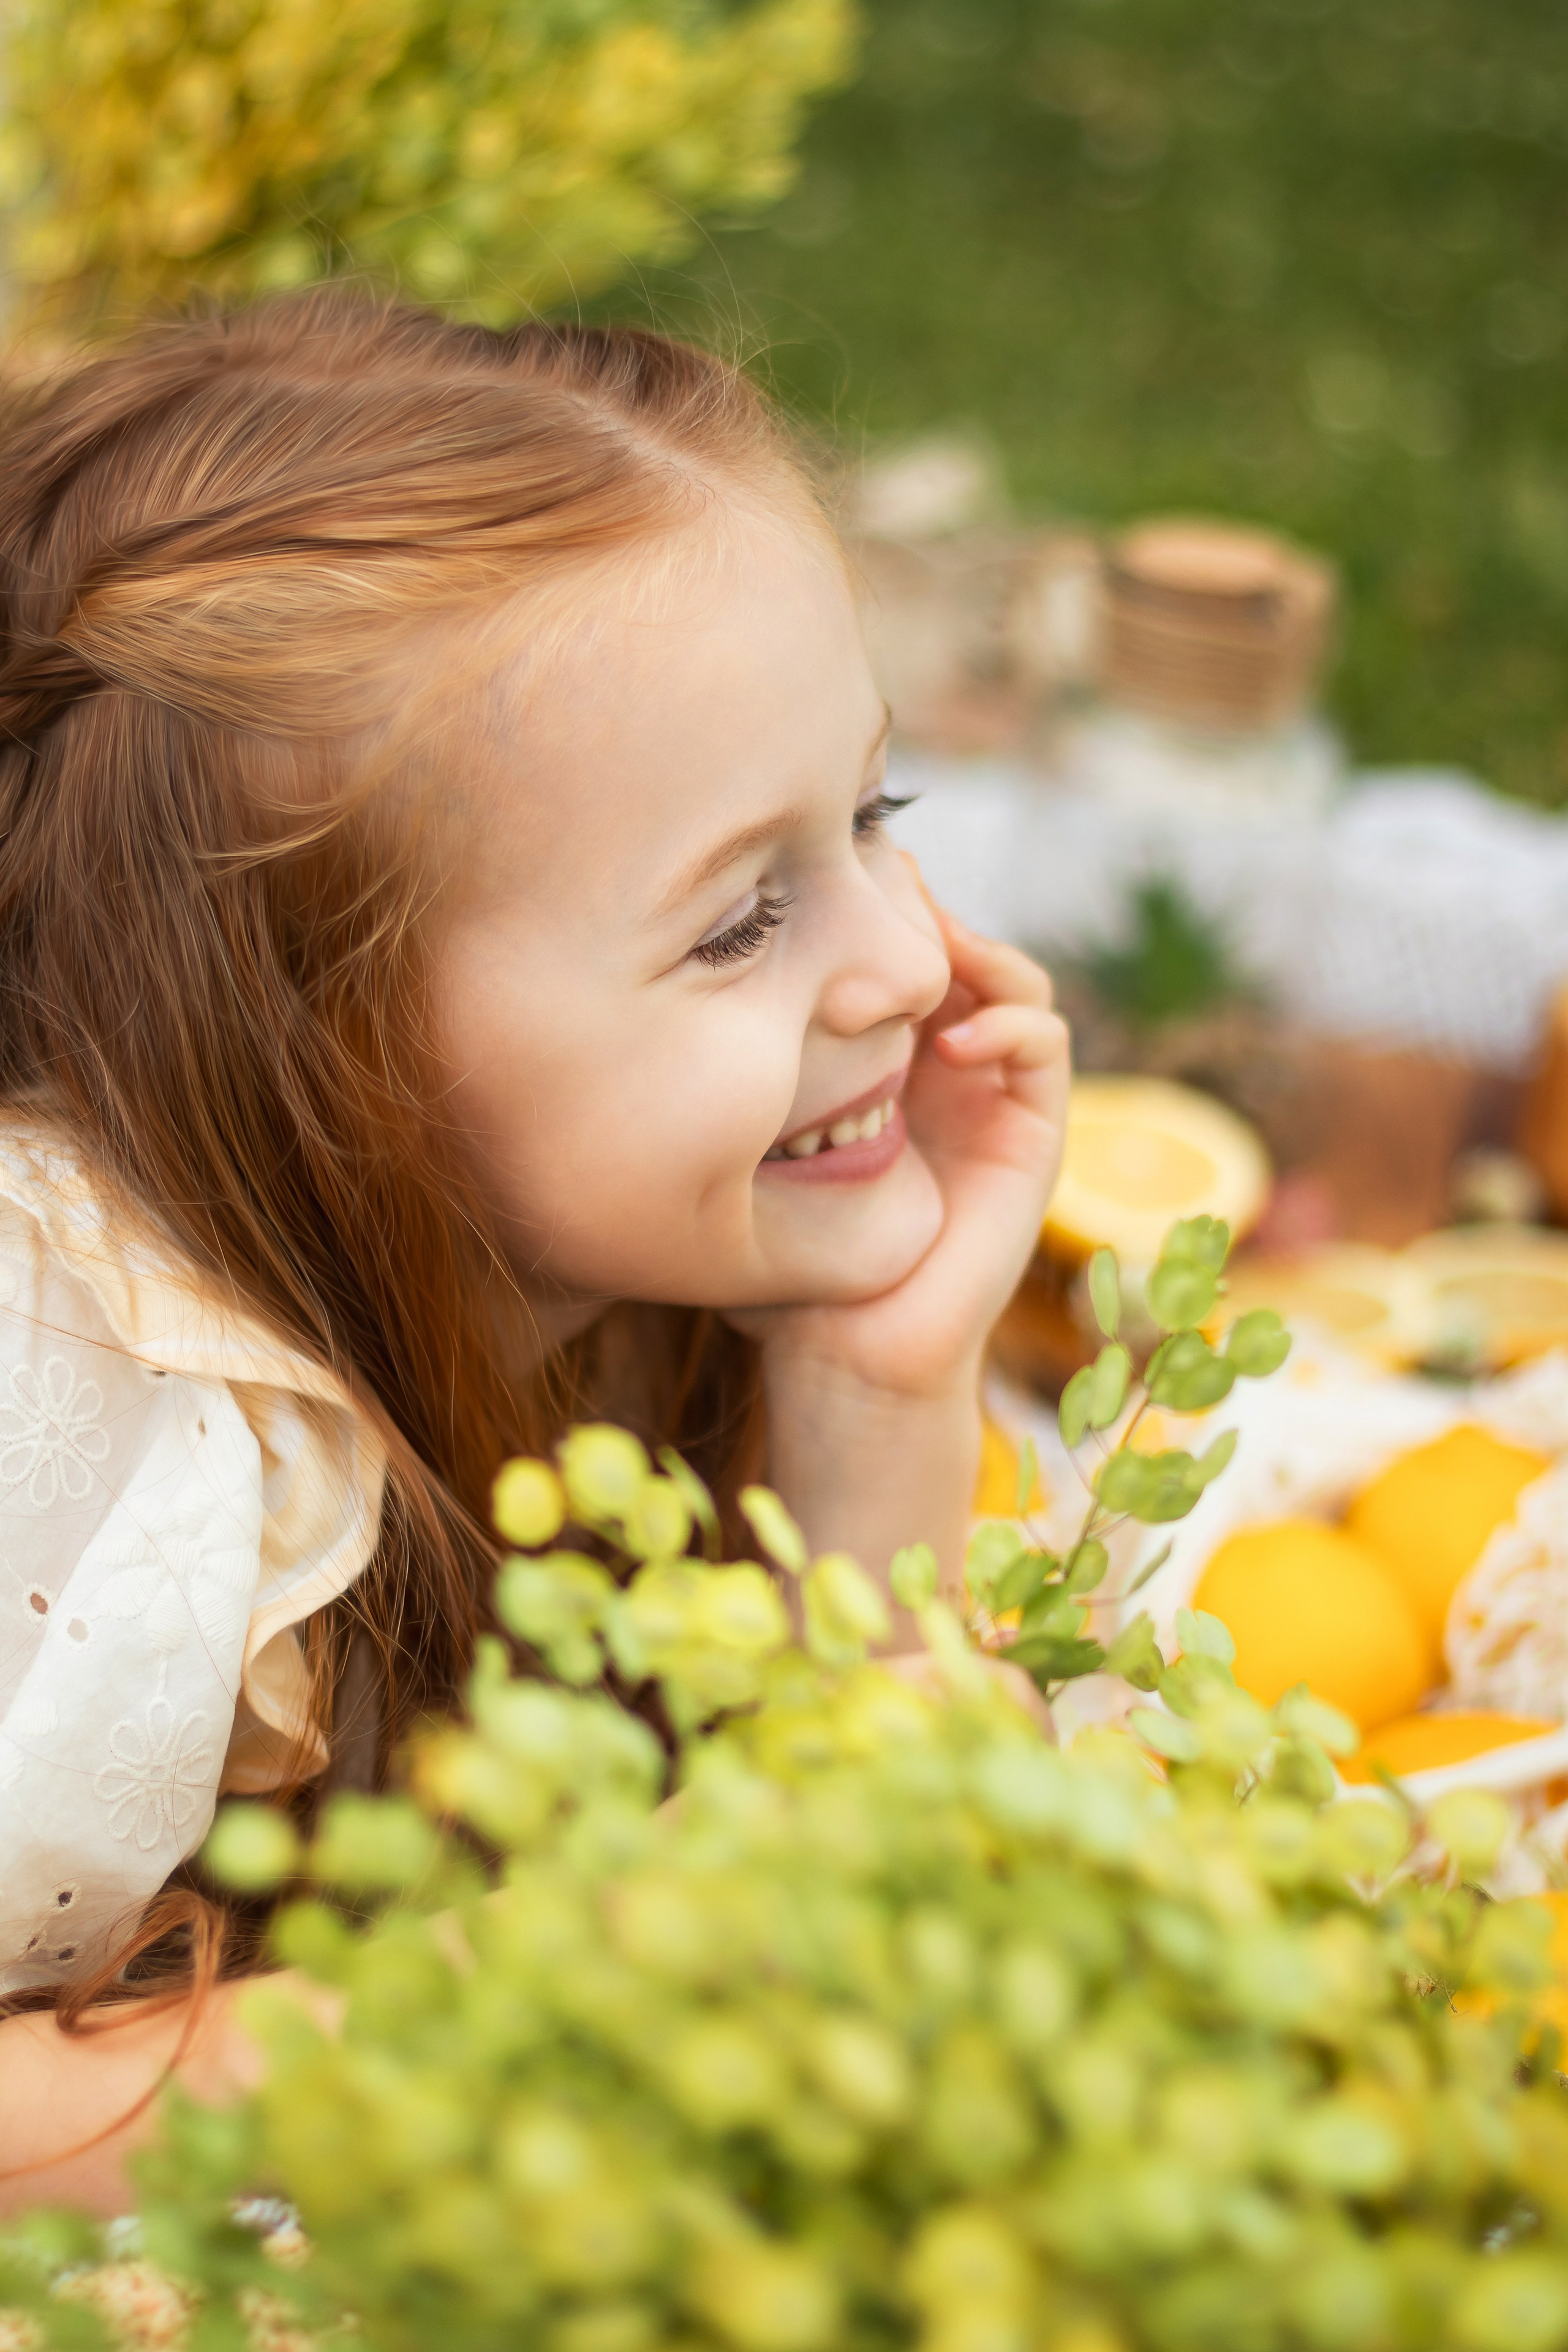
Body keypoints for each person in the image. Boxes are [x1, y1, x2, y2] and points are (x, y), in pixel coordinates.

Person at [0, 293, 1068, 2210]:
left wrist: (878, 1382)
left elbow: (857, 1853)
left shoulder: (639, 1296)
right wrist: (525, 1997)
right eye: (741, 922)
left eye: (875, 812)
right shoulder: (69, 1419)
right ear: (327, 1056)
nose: (914, 960)